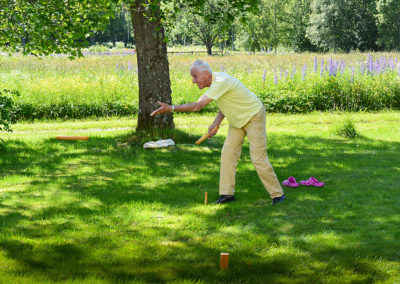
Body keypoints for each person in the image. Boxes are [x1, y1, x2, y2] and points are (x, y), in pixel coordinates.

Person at [151, 60, 285, 205]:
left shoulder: (221, 81)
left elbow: (197, 106)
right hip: (237, 120)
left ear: (206, 75)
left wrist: (170, 108)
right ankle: (227, 195)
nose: (193, 81)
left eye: (195, 77)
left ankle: (278, 195)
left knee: (258, 158)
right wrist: (216, 123)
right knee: (228, 154)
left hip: (253, 115)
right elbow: (226, 102)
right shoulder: (216, 83)